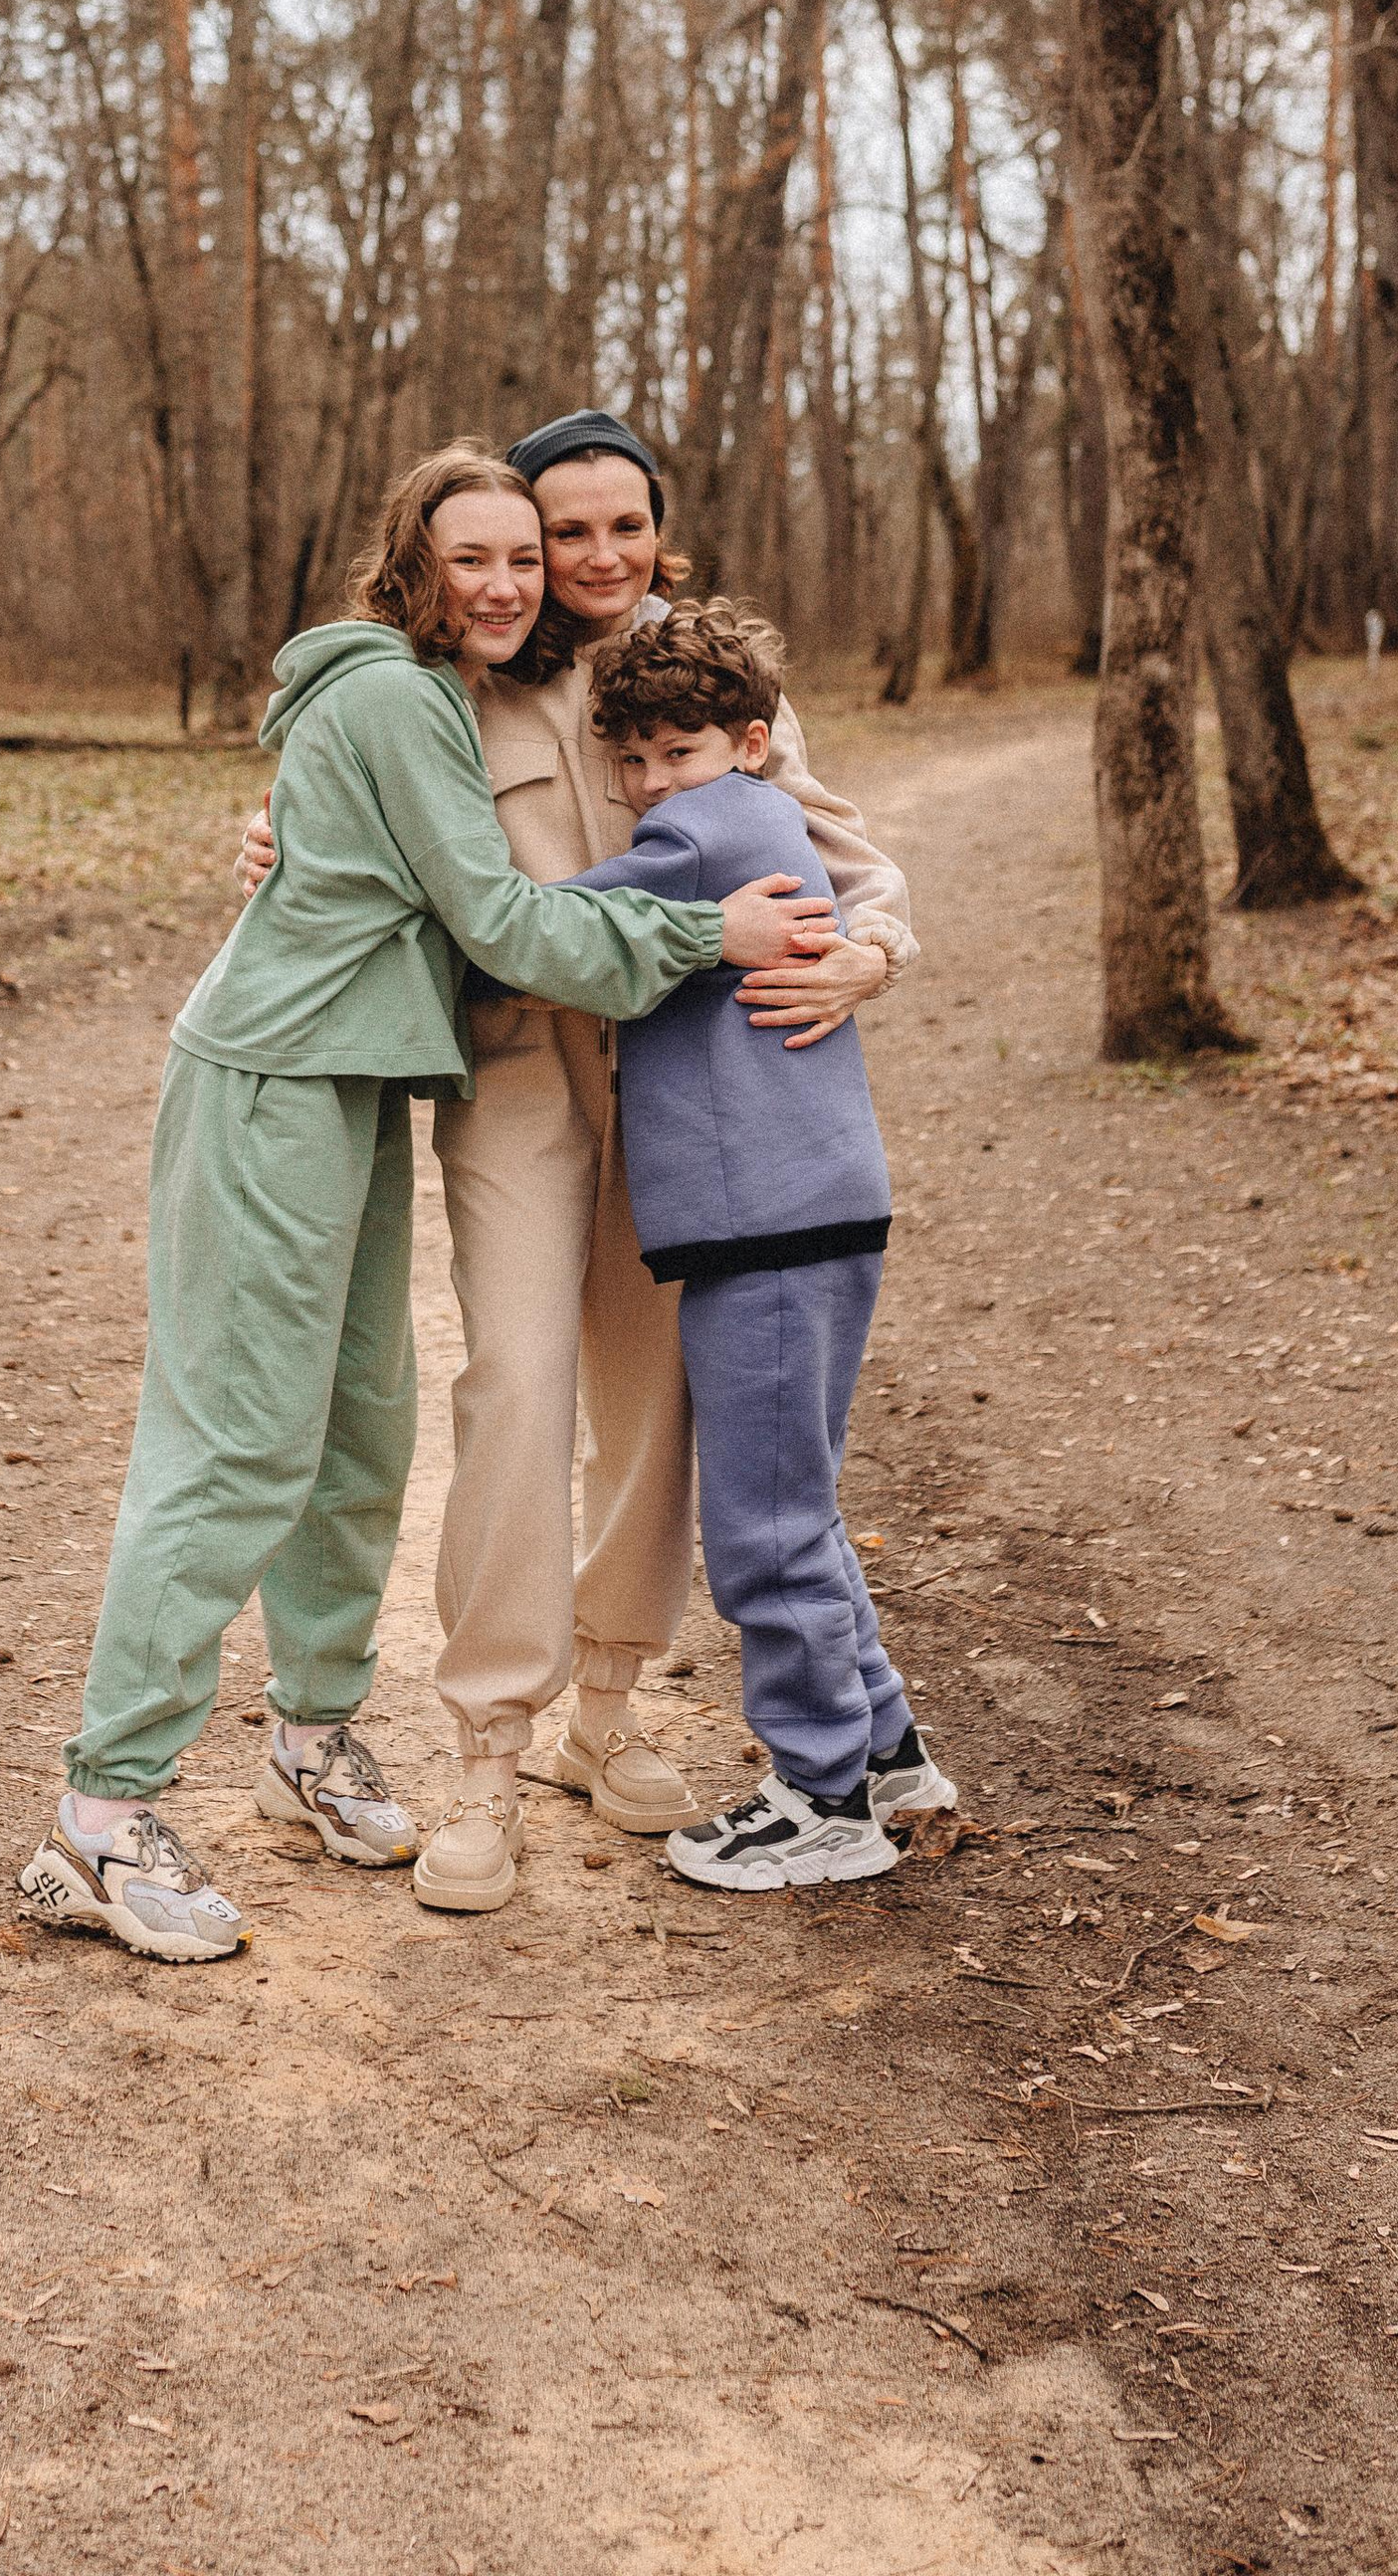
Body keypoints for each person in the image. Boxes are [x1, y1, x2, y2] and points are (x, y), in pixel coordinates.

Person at [18, 446, 826, 1964]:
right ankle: (100, 1817)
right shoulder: (402, 697)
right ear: (417, 566)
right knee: (244, 1442)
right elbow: (506, 921)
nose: (514, 581)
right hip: (271, 1077)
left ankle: (313, 1740)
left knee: (361, 1425)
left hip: (362, 1081)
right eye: (480, 558)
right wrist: (705, 933)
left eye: (530, 557)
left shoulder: (473, 693)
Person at [237, 406, 915, 1915]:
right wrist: (277, 838)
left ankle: (604, 1714)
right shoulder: (443, 681)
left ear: (657, 537)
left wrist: (867, 956)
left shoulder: (703, 674)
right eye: (560, 537)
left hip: (689, 1084)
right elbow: (356, 819)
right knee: (522, 1385)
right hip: (521, 1074)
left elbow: (840, 857)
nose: (588, 561)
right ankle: (486, 1744)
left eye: (623, 530)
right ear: (513, 551)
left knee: (656, 1392)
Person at [570, 601, 955, 1890]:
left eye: (675, 750)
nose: (645, 782)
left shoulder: (703, 830)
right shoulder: (749, 816)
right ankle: (887, 1752)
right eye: (627, 758)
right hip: (805, 1210)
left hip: (769, 1226)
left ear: (749, 742)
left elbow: (553, 936)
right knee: (801, 1505)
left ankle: (820, 1798)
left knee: (763, 1529)